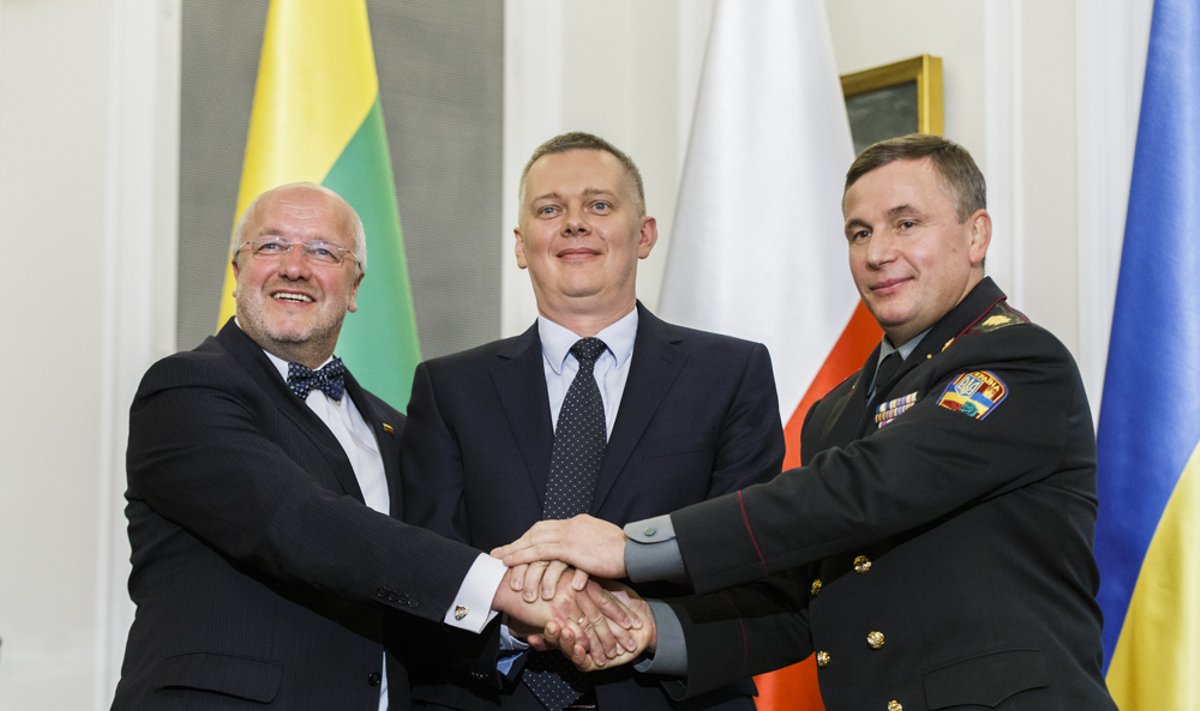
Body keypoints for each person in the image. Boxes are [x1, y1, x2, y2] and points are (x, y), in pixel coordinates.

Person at [496, 134, 1119, 710]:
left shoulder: (1017, 359)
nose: (879, 253)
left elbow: (867, 488)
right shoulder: (838, 412)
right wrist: (653, 630)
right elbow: (799, 605)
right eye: (858, 232)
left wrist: (630, 547)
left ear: (976, 234)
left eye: (907, 224)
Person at [111, 183, 637, 711]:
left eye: (322, 251)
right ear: (237, 272)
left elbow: (401, 587)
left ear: (355, 285)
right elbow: (297, 521)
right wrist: (504, 587)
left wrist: (517, 629)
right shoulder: (183, 390)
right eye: (270, 246)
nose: (294, 267)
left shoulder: (395, 429)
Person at [398, 132, 785, 711]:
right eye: (550, 209)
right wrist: (511, 623)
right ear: (521, 244)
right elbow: (426, 567)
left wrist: (645, 627)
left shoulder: (732, 373)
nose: (574, 223)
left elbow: (749, 559)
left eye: (599, 205)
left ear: (645, 234)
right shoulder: (448, 388)